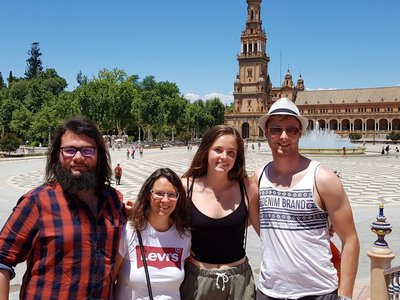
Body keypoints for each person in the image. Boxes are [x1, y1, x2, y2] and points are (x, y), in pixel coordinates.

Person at [0, 117, 126, 299]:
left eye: (87, 150)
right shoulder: (38, 202)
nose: (78, 158)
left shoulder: (114, 201)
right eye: (69, 150)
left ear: (99, 155)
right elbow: (3, 259)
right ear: (57, 155)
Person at [252, 98, 360, 300]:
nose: (283, 137)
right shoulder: (257, 178)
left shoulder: (323, 178)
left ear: (300, 133)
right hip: (269, 292)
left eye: (291, 130)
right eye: (276, 130)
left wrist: (344, 295)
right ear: (266, 132)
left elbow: (351, 239)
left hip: (318, 292)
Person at [180, 125, 258, 300]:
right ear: (206, 150)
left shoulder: (247, 187)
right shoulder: (186, 187)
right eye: (218, 150)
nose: (225, 157)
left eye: (231, 152)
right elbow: (161, 223)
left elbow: (265, 229)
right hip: (197, 281)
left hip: (239, 283)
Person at [114, 168, 191, 299]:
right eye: (159, 193)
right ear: (148, 195)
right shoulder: (129, 231)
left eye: (172, 194)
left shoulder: (184, 236)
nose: (165, 200)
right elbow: (111, 278)